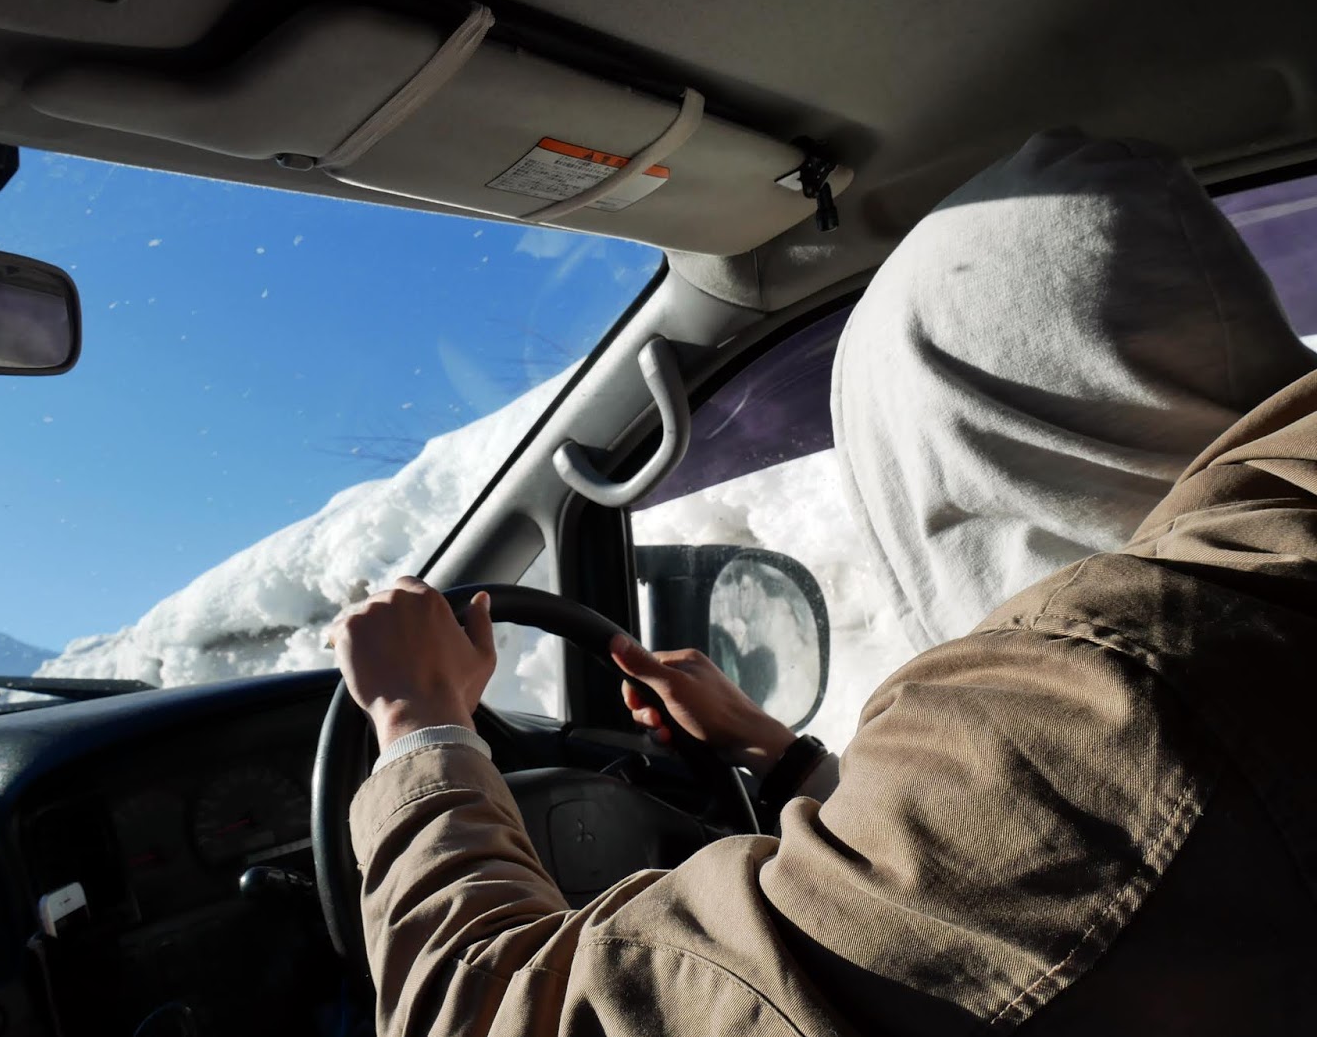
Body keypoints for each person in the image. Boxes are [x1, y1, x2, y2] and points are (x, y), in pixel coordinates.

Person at [331, 131, 1317, 1035]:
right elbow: (1040, 894)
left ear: (946, 451)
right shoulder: (1256, 607)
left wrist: (420, 728)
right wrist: (782, 759)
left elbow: (493, 1012)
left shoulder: (1110, 710)